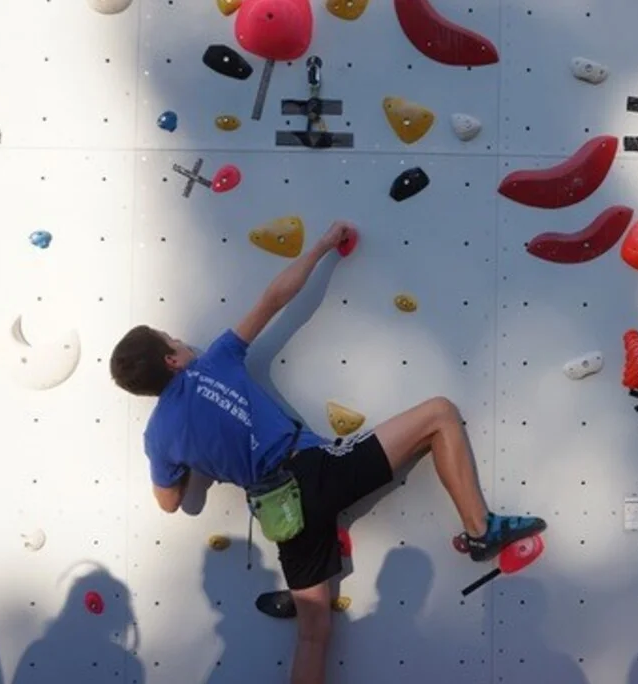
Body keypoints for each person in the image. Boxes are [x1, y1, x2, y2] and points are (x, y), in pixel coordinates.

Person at [108, 221, 546, 684]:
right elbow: (274, 298)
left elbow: (170, 501)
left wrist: (198, 454)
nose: (182, 341)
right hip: (316, 471)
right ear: (173, 360)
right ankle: (480, 530)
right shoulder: (214, 361)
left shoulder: (158, 437)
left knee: (313, 634)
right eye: (173, 341)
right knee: (439, 414)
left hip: (282, 515)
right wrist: (319, 247)